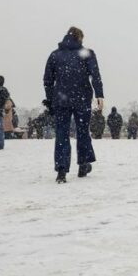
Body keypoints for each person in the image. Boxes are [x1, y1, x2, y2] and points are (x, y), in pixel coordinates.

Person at [42, 26, 105, 183]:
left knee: (62, 133)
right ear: (80, 38)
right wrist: (99, 94)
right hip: (82, 97)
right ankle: (83, 163)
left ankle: (61, 169)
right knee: (82, 131)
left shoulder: (55, 55)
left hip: (61, 99)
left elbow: (47, 80)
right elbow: (95, 75)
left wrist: (50, 99)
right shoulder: (86, 54)